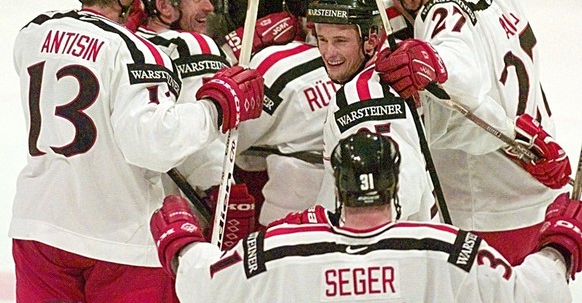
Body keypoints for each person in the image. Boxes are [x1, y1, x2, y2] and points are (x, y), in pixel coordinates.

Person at [10, 0, 264, 302]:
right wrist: (216, 108)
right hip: (118, 237)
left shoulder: (33, 32)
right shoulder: (136, 50)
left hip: (39, 227)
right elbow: (152, 145)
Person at [364, 0, 571, 264]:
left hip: (487, 211)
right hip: (539, 190)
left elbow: (461, 75)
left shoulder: (438, 13)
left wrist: (435, 62)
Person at [149, 130, 580, 302]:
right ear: (395, 183)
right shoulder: (446, 247)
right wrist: (561, 245)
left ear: (337, 182)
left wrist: (183, 244)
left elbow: (199, 287)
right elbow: (534, 294)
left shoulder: (277, 249)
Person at [127, 0, 256, 248]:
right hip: (188, 214)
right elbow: (201, 130)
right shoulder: (192, 44)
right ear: (163, 5)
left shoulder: (123, 44)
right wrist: (220, 186)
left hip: (131, 212)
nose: (209, 7)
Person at [210, 0, 345, 228]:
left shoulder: (274, 64)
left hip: (290, 214)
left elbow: (223, 143)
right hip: (362, 210)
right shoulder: (379, 50)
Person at [307, 0, 437, 222]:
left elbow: (404, 181)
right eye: (322, 40)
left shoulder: (363, 94)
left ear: (371, 40)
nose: (328, 52)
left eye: (340, 41)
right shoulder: (380, 79)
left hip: (387, 248)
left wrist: (352, 226)